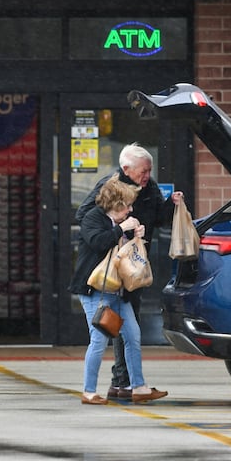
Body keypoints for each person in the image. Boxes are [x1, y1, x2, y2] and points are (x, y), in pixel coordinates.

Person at [76, 142, 184, 401]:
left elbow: (159, 217)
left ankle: (133, 385)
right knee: (104, 335)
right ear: (126, 169)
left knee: (131, 332)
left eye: (149, 170)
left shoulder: (149, 189)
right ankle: (103, 387)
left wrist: (171, 205)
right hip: (104, 279)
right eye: (143, 171)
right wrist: (118, 226)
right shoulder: (109, 190)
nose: (147, 175)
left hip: (130, 271)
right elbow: (88, 222)